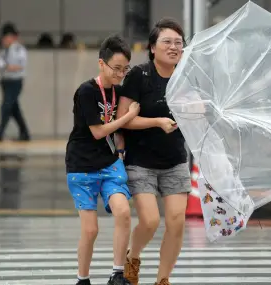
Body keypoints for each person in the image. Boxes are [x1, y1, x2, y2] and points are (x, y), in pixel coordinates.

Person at [117, 18, 191, 285]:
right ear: (152, 48)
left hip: (175, 161)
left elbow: (195, 113)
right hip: (141, 161)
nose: (174, 47)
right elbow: (123, 118)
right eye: (167, 42)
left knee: (177, 223)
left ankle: (163, 279)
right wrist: (156, 122)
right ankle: (132, 257)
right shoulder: (139, 75)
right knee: (149, 221)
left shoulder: (187, 78)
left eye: (179, 43)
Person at [65, 34, 139, 285]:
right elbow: (98, 131)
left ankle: (117, 273)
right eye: (116, 68)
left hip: (108, 164)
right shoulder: (86, 91)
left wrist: (121, 148)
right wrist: (126, 118)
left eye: (124, 69)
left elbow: (119, 131)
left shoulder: (119, 93)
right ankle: (82, 279)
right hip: (81, 166)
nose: (120, 74)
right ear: (101, 64)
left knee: (123, 212)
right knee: (90, 230)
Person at [0, 23, 30, 141]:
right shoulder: (5, 50)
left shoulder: (19, 49)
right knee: (14, 109)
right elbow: (2, 64)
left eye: (6, 37)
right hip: (5, 81)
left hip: (15, 81)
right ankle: (25, 133)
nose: (4, 40)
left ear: (12, 37)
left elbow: (20, 66)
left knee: (6, 106)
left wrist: (5, 66)